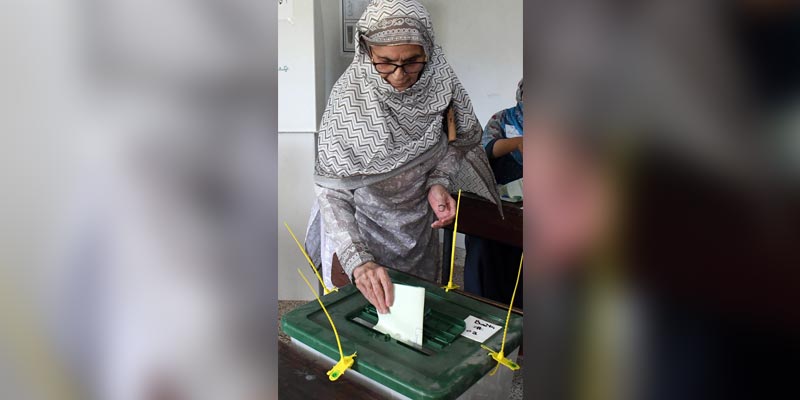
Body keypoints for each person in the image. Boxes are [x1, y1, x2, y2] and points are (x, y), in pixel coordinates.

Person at [304, 0, 500, 314]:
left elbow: (458, 143)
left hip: (417, 230)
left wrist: (439, 181)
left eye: (412, 62)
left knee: (413, 316)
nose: (399, 75)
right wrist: (359, 261)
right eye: (385, 62)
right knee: (358, 326)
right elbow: (333, 191)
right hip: (359, 229)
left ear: (429, 51)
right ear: (365, 52)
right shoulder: (348, 100)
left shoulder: (441, 85)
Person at [464, 80, 524, 307]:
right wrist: (516, 143)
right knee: (485, 249)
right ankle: (483, 305)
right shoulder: (503, 118)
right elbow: (485, 149)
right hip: (496, 199)